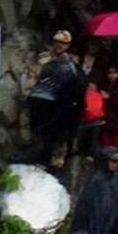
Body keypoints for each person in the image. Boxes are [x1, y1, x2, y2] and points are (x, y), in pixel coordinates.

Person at [29, 30, 84, 170]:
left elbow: (75, 83)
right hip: (39, 98)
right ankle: (36, 155)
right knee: (37, 130)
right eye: (57, 42)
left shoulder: (71, 63)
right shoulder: (43, 58)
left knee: (58, 133)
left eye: (63, 43)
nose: (60, 45)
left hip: (59, 101)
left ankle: (56, 159)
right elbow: (32, 76)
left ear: (68, 45)